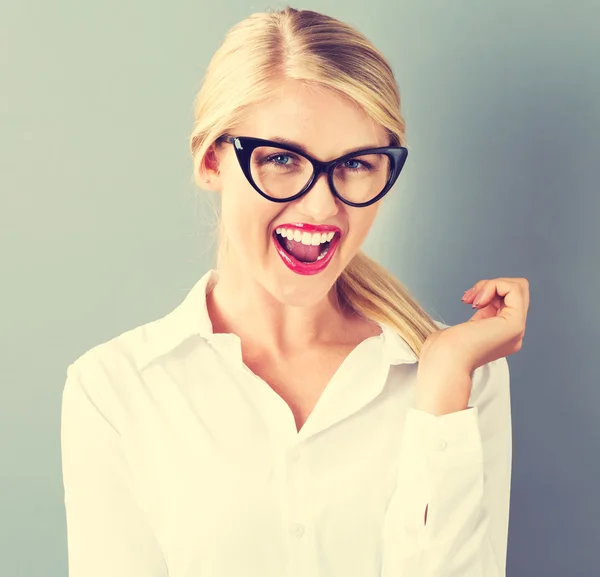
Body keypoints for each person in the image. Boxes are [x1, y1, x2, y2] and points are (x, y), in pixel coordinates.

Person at [60, 6, 529, 577]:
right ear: (211, 159)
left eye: (357, 163)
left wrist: (444, 381)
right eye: (282, 159)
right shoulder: (115, 389)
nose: (322, 206)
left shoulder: (465, 372)